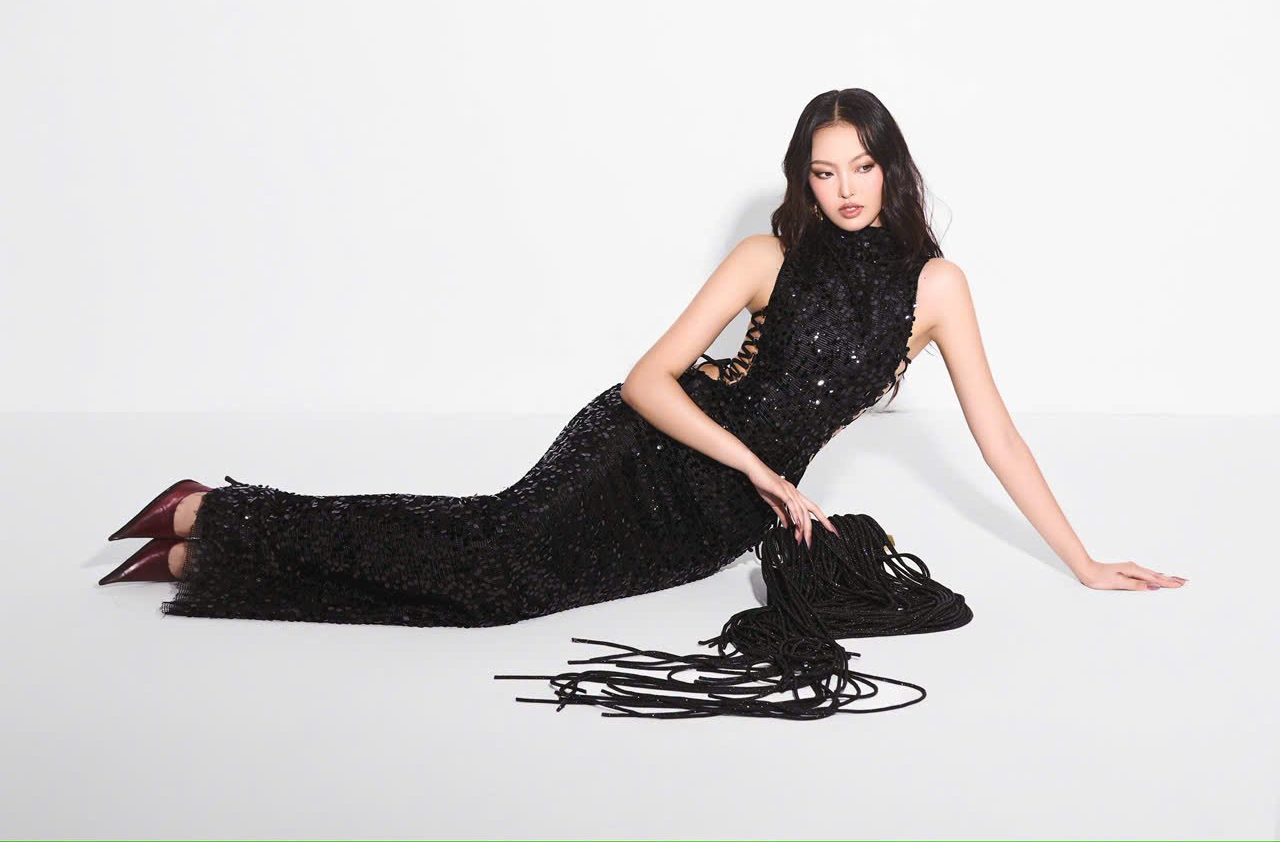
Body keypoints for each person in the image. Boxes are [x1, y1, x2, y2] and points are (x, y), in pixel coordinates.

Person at [97, 88, 1187, 628]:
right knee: (494, 552)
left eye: (861, 167)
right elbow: (644, 381)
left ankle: (215, 548)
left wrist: (1085, 560)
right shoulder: (765, 256)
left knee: (502, 593)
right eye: (823, 171)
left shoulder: (936, 287)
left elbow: (998, 438)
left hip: (711, 520)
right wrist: (762, 470)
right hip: (648, 451)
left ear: (890, 170)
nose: (845, 189)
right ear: (802, 180)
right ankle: (221, 516)